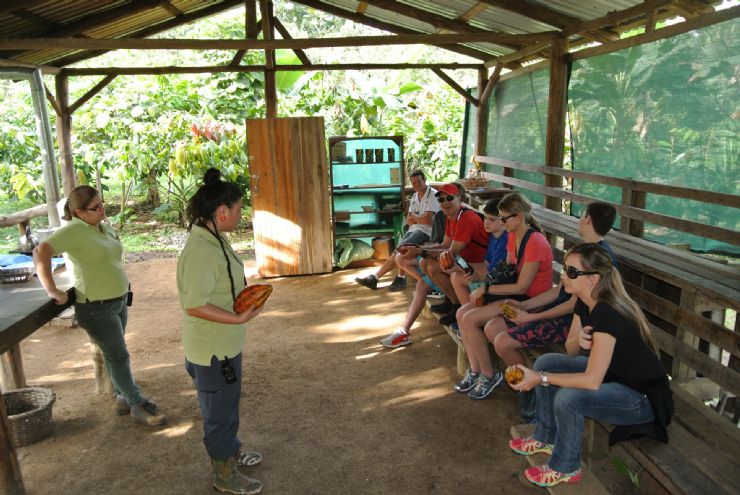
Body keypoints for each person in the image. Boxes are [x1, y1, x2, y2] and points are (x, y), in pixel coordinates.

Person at [508, 243, 672, 488]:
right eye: (565, 269)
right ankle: (545, 436)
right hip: (613, 377)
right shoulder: (584, 302)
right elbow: (571, 350)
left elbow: (591, 381)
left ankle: (566, 466)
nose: (564, 275)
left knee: (568, 398)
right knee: (547, 361)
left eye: (572, 272)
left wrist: (539, 378)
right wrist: (580, 338)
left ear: (593, 279)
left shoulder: (608, 313)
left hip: (642, 399)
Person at [33, 185, 167, 426]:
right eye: (96, 207)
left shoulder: (101, 227)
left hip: (117, 301)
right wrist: (52, 290)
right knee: (118, 355)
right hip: (96, 307)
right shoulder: (74, 231)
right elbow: (41, 251)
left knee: (115, 354)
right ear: (79, 213)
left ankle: (121, 397)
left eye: (101, 203)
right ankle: (138, 402)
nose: (102, 209)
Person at [479, 201, 620, 420]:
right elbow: (558, 291)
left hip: (570, 321)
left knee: (502, 341)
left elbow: (575, 305)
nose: (579, 220)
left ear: (588, 220)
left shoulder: (599, 258)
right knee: (492, 326)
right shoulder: (585, 251)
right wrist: (524, 306)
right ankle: (528, 381)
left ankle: (534, 390)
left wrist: (532, 316)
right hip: (557, 312)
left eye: (581, 216)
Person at [176, 168, 264, 495]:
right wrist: (240, 319)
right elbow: (195, 305)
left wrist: (245, 299)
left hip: (223, 346)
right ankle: (223, 475)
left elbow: (219, 288)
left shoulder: (212, 236)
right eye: (240, 208)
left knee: (227, 407)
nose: (242, 214)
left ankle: (231, 451)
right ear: (221, 212)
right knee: (219, 414)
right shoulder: (201, 250)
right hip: (214, 353)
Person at [454, 192, 553, 400]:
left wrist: (486, 290)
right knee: (462, 313)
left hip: (530, 303)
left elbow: (521, 287)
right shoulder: (512, 236)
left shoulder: (535, 241)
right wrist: (483, 282)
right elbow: (505, 269)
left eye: (503, 218)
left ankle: (489, 375)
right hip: (514, 297)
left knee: (470, 318)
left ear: (518, 217)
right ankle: (476, 370)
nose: (501, 221)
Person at [399, 183, 488, 328]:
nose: (445, 203)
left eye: (449, 198)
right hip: (463, 260)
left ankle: (457, 305)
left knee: (434, 266)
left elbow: (451, 253)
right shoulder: (451, 216)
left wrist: (420, 251)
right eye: (441, 200)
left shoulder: (466, 218)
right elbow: (445, 245)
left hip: (476, 263)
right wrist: (417, 248)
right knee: (423, 262)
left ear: (459, 199)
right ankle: (451, 301)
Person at [355, 169, 439, 291]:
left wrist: (416, 217)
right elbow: (409, 220)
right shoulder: (415, 196)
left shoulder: (433, 195)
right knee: (399, 251)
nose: (416, 185)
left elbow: (427, 221)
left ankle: (378, 278)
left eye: (419, 182)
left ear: (425, 180)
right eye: (414, 183)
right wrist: (418, 218)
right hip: (414, 229)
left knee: (399, 250)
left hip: (426, 232)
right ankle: (396, 277)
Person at [449, 198, 508, 307]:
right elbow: (486, 263)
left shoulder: (504, 241)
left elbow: (495, 273)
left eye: (492, 219)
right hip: (492, 273)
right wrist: (466, 269)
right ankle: (467, 310)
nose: (486, 222)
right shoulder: (494, 236)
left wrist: (475, 275)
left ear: (503, 221)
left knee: (457, 276)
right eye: (485, 218)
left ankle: (470, 312)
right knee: (456, 272)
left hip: (501, 281)